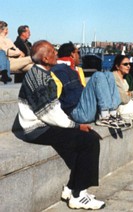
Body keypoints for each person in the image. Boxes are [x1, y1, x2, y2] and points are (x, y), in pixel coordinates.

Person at [14, 40, 105, 210]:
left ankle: (72, 188)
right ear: (45, 59)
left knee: (84, 139)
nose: (56, 53)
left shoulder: (40, 73)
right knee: (89, 140)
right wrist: (77, 126)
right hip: (36, 129)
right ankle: (78, 195)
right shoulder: (40, 78)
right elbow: (50, 114)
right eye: (52, 52)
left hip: (44, 124)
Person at [51, 42, 128, 129]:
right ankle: (105, 116)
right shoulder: (59, 70)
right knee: (97, 75)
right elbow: (56, 95)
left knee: (108, 74)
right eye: (78, 53)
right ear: (72, 54)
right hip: (78, 112)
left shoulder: (76, 69)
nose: (79, 56)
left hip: (85, 108)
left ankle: (113, 114)